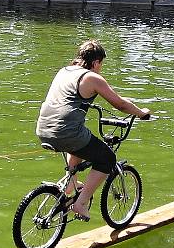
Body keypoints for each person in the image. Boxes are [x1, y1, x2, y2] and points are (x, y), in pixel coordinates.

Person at [36, 40, 150, 221]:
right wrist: (141, 113)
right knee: (107, 159)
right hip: (67, 132)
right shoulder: (92, 78)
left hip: (43, 128)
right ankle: (80, 203)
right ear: (96, 62)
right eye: (101, 64)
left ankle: (70, 184)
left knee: (80, 144)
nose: (100, 68)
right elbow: (119, 104)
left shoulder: (64, 71)